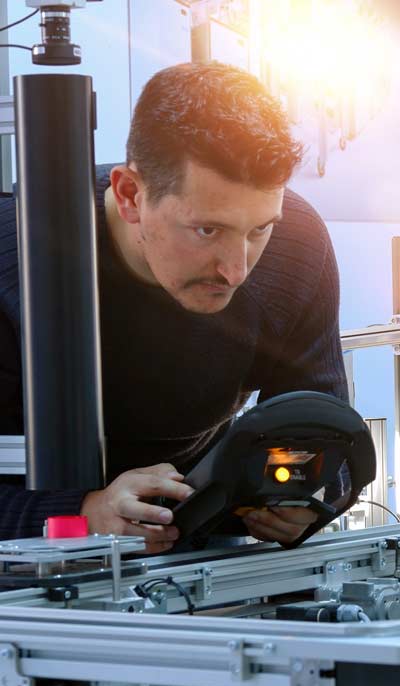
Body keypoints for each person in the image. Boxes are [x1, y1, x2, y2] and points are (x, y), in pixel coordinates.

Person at [0, 61, 348, 553]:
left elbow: (327, 436)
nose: (237, 270)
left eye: (258, 230)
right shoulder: (11, 259)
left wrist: (305, 499)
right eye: (207, 230)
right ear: (129, 195)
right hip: (30, 564)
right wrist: (83, 514)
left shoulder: (298, 244)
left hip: (201, 543)